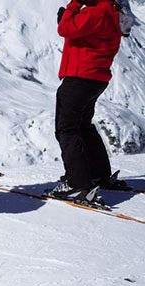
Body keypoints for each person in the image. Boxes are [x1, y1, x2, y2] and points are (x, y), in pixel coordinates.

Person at [51, 0, 127, 201]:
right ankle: (98, 175)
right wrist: (72, 18)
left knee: (66, 129)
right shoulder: (112, 11)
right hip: (96, 77)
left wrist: (73, 7)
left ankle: (77, 184)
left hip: (79, 77)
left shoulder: (96, 12)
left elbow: (65, 29)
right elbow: (77, 33)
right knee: (83, 126)